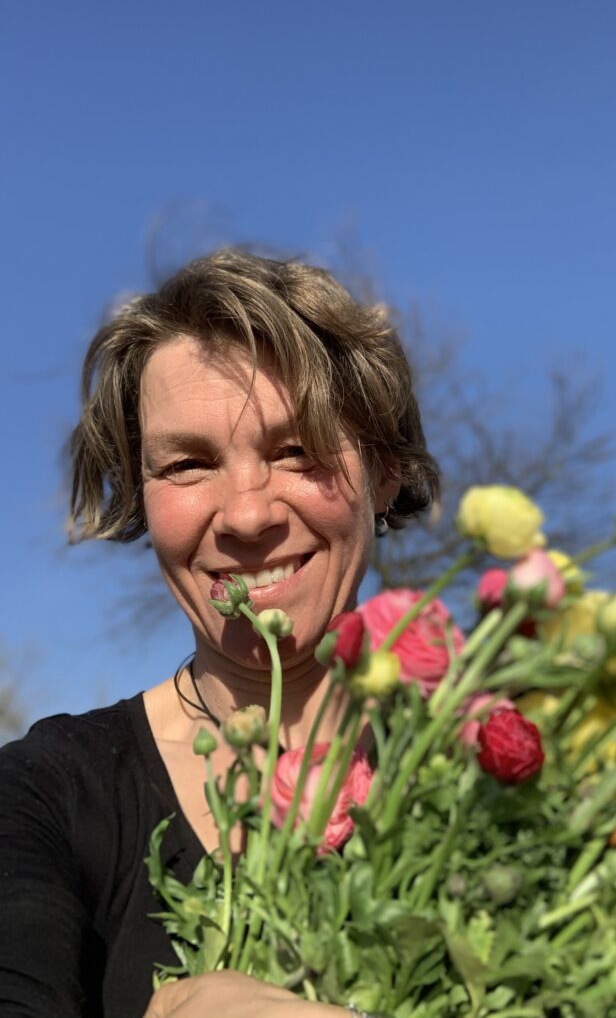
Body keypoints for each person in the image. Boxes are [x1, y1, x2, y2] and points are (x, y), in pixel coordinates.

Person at [0, 249, 439, 1018]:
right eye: (188, 464)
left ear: (386, 472)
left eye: (296, 449)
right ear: (140, 495)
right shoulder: (43, 795)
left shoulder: (508, 778)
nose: (245, 514)